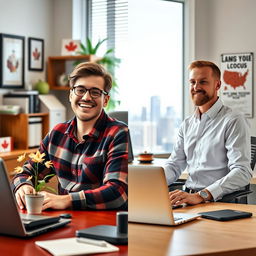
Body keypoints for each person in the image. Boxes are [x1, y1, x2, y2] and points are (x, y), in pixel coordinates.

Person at [13, 62, 128, 210]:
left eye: (95, 92)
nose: (86, 97)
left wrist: (67, 200)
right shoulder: (57, 134)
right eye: (80, 90)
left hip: (105, 224)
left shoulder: (119, 133)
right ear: (70, 95)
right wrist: (22, 185)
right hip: (66, 221)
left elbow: (117, 192)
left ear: (105, 100)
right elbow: (26, 172)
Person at [164, 60, 252, 206]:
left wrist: (202, 195)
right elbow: (174, 165)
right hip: (187, 201)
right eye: (192, 82)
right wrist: (152, 183)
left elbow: (242, 172)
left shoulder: (233, 120)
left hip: (219, 201)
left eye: (203, 82)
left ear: (217, 85)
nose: (196, 87)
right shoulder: (187, 124)